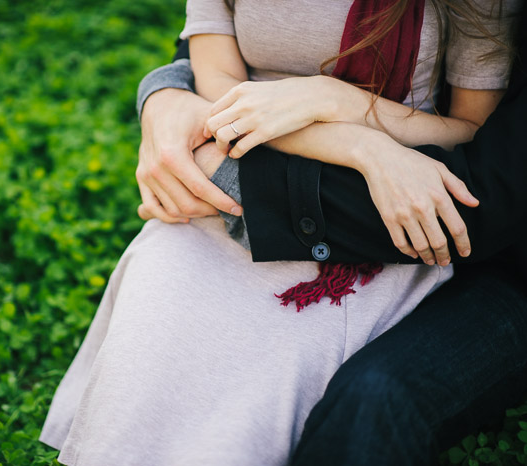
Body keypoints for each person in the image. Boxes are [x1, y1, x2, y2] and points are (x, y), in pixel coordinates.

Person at [39, 1, 524, 465]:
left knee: (257, 400)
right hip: (229, 193)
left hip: (363, 220)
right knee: (157, 356)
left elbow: (471, 131)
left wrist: (342, 101)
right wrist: (362, 146)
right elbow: (217, 96)